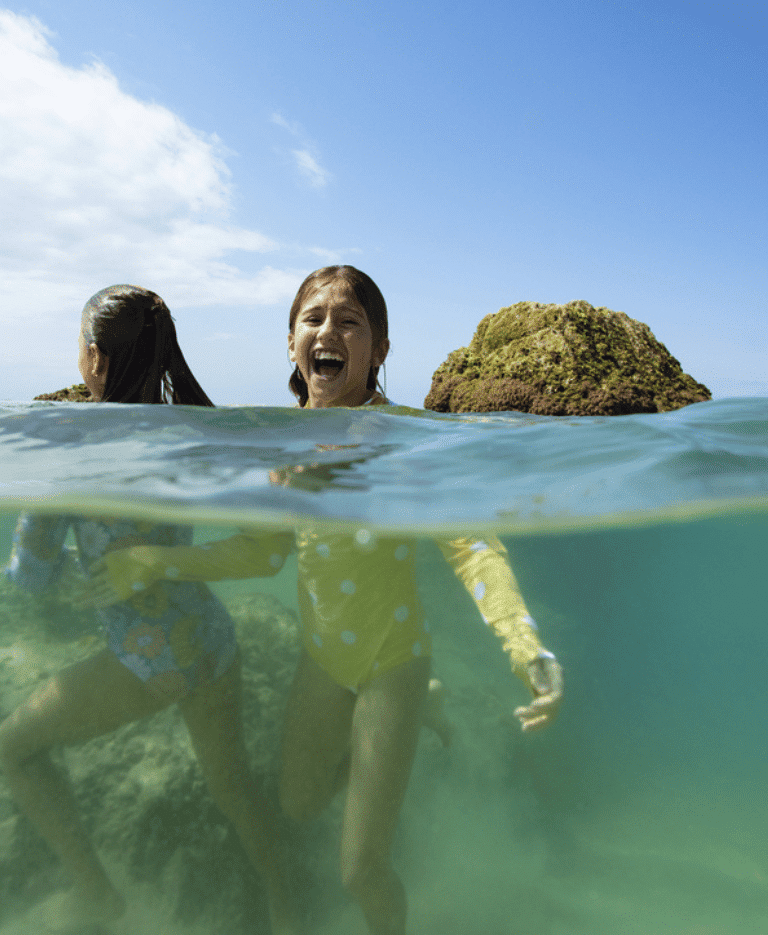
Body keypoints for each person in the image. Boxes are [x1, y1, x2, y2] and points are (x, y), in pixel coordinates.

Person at [84, 268, 563, 935]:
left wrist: (523, 643)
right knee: (300, 804)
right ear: (290, 344)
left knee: (360, 870)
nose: (328, 332)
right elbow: (262, 552)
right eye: (312, 319)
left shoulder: (404, 439)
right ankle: (426, 710)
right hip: (323, 663)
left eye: (349, 322)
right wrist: (156, 561)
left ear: (381, 350)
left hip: (391, 661)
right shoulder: (280, 443)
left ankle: (412, 705)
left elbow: (470, 543)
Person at [0, 286, 301, 935]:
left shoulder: (66, 447)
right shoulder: (191, 432)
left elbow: (32, 577)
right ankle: (287, 906)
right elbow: (262, 535)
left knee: (11, 751)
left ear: (94, 359)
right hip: (211, 642)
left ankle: (95, 893)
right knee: (235, 791)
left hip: (147, 660)